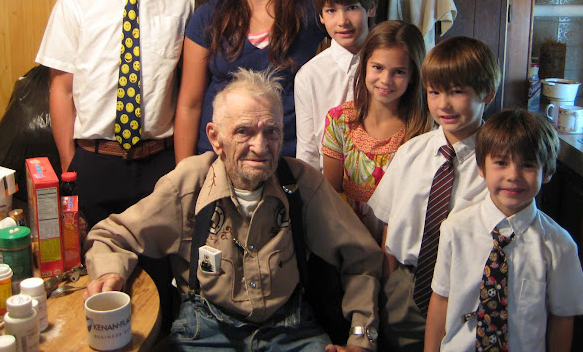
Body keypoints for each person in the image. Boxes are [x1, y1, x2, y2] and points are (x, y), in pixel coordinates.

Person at [83, 68, 383, 352]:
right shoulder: (189, 184)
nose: (261, 146)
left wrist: (360, 336)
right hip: (205, 331)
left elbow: (362, 258)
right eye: (244, 131)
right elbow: (112, 235)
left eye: (272, 132)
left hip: (291, 330)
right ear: (216, 138)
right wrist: (110, 273)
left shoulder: (302, 184)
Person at [35, 0, 195, 230]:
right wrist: (68, 165)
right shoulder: (75, 1)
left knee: (162, 275)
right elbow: (61, 89)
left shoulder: (182, 1)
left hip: (160, 161)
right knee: (98, 272)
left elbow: (188, 89)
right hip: (95, 162)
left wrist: (183, 169)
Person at [368, 36, 501, 352]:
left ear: (487, 94)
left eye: (457, 92)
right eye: (434, 92)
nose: (444, 104)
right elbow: (389, 227)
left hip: (466, 293)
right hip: (406, 285)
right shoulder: (411, 152)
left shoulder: (498, 166)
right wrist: (388, 285)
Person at [424, 108, 583, 352]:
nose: (513, 175)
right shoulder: (455, 229)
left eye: (527, 165)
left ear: (547, 172)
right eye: (501, 163)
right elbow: (441, 300)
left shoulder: (558, 244)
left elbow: (562, 317)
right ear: (481, 168)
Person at [174, 0, 325, 163]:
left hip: (289, 161)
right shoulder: (209, 16)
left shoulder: (315, 8)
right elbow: (189, 105)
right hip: (218, 162)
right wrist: (185, 179)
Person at [321, 21, 431, 243]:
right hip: (349, 242)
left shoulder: (422, 130)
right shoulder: (340, 121)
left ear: (413, 76)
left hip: (401, 245)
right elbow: (330, 194)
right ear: (364, 66)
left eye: (399, 72)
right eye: (378, 67)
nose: (386, 80)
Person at [295, 0, 377, 171]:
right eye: (331, 10)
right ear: (320, 15)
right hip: (329, 188)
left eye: (352, 7)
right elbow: (307, 152)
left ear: (371, 8)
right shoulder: (309, 76)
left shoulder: (391, 66)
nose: (342, 21)